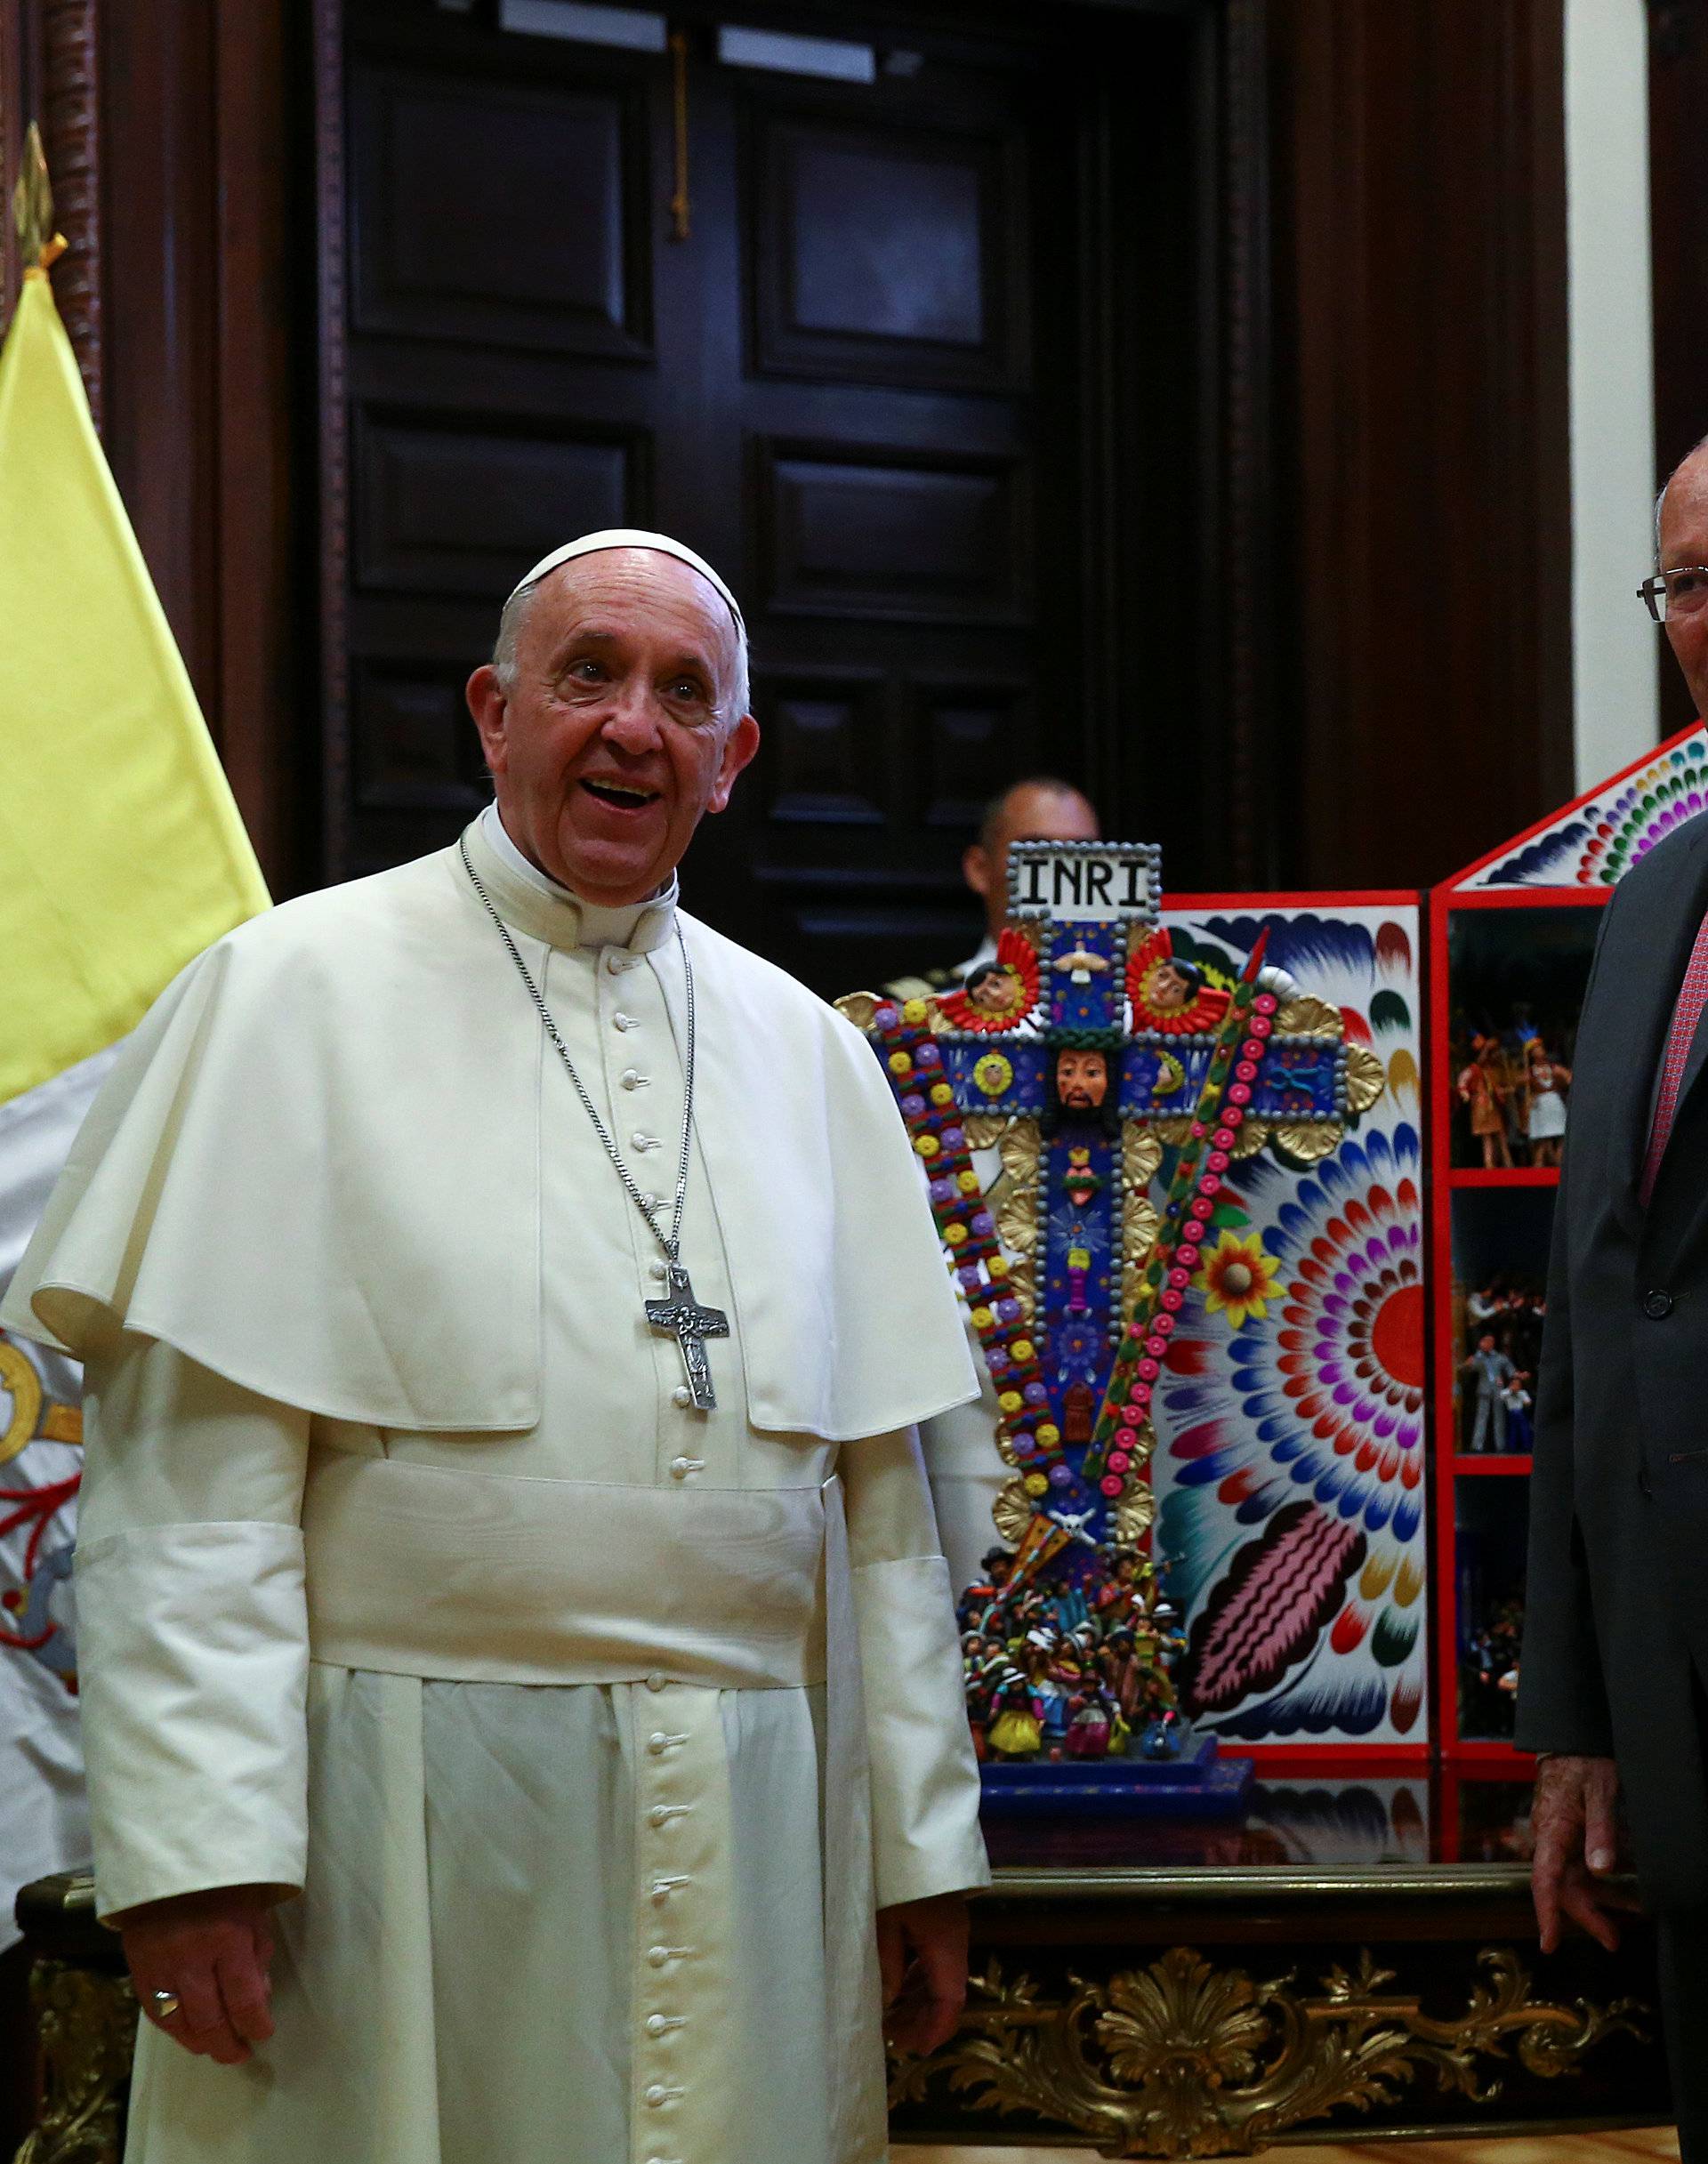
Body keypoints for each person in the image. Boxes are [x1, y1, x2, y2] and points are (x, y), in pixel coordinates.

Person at [2, 531, 990, 2164]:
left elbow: (881, 1525)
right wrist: (192, 1854)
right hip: (395, 1822)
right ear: (493, 711)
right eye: (587, 673)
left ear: (731, 761)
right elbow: (193, 1489)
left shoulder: (812, 1055)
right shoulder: (289, 995)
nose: (631, 726)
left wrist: (919, 1848)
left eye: (684, 695)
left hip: (758, 1832)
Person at [1521, 434, 1708, 2163]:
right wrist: (1575, 1717)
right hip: (1682, 1738)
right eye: (1691, 582)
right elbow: (1593, 1325)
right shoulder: (1652, 900)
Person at [882, 776, 1100, 1001]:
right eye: (1035, 854)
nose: (1061, 873)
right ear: (980, 870)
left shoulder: (1134, 1007)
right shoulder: (923, 1011)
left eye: (1081, 853)